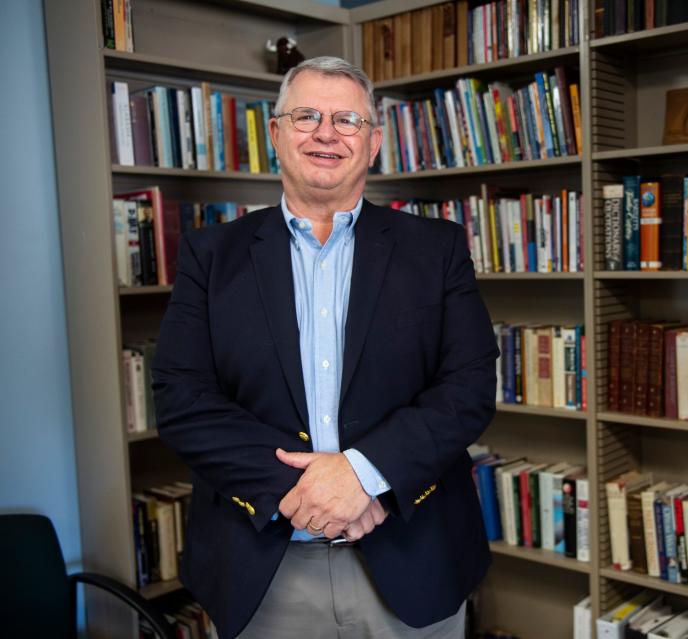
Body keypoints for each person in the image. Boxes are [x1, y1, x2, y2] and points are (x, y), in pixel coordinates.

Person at [152, 56, 499, 639]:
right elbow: (182, 399)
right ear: (277, 132)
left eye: (347, 120)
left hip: (411, 554)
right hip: (262, 563)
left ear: (374, 142)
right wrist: (309, 491)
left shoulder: (436, 249)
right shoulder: (210, 256)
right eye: (307, 115)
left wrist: (364, 475)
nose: (326, 133)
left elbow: (468, 388)